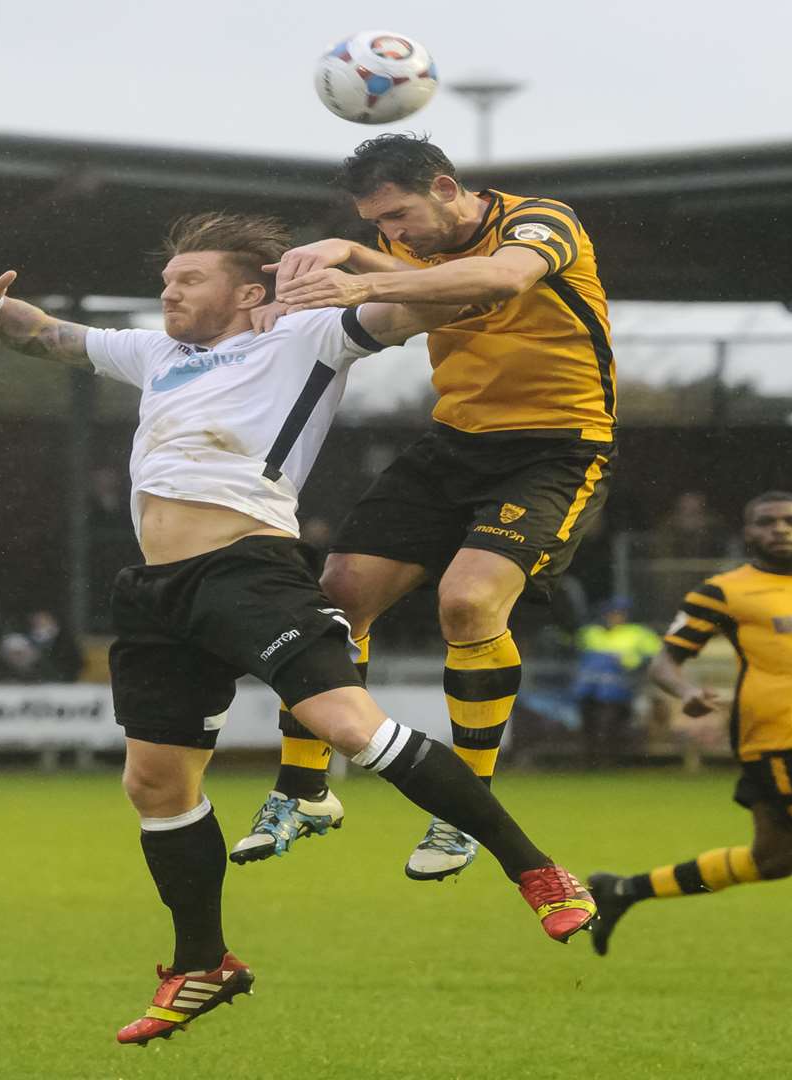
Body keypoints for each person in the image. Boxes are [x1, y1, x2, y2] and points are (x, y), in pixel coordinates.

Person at [0, 212, 596, 1045]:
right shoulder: (156, 353)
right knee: (154, 785)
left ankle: (538, 871)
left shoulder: (308, 335)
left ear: (247, 290)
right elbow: (47, 338)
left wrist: (363, 266)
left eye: (188, 281)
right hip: (154, 591)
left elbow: (445, 306)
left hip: (248, 569)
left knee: (347, 725)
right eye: (165, 283)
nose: (169, 293)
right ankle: (203, 965)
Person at [233, 134, 617, 880]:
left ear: (446, 186)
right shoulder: (394, 240)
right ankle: (303, 791)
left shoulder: (539, 222)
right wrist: (350, 254)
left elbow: (501, 280)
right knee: (334, 600)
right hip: (454, 443)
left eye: (402, 215)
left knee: (468, 605)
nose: (395, 233)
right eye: (382, 222)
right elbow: (408, 272)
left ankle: (463, 807)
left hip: (555, 448)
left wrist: (357, 277)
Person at [588, 492, 792, 993]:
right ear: (748, 533)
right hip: (778, 737)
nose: (780, 530)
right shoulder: (724, 591)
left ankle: (621, 890)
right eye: (766, 523)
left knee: (774, 860)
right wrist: (686, 693)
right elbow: (666, 662)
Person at [570, 596, 663, 766]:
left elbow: (655, 655)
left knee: (609, 724)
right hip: (589, 687)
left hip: (619, 688)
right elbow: (575, 649)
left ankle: (609, 760)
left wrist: (634, 661)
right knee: (588, 723)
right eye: (611, 613)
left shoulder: (638, 633)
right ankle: (589, 759)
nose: (615, 617)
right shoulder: (591, 632)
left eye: (619, 613)